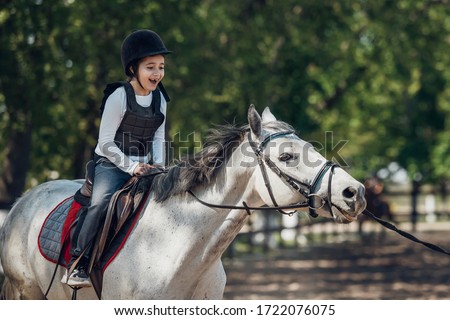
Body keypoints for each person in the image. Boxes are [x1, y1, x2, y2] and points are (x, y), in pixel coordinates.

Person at [61, 29, 171, 287]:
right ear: (133, 68)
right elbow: (105, 143)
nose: (157, 73)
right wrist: (131, 166)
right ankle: (78, 262)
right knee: (101, 203)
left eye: (161, 67)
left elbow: (157, 138)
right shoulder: (118, 96)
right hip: (111, 164)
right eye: (150, 67)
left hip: (145, 165)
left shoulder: (160, 98)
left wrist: (160, 167)